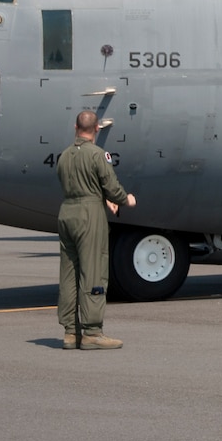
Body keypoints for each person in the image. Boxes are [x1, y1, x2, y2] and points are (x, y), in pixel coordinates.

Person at [55, 110, 135, 349]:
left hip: (67, 212)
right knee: (94, 271)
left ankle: (71, 331)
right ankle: (92, 332)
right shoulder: (98, 155)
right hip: (89, 215)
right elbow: (111, 186)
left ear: (75, 127)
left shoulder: (64, 156)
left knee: (69, 273)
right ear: (97, 129)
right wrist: (125, 199)